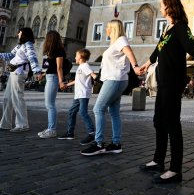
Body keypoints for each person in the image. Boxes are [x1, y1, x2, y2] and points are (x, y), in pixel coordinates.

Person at [138, 0, 194, 184]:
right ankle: (158, 160)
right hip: (163, 81)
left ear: (170, 7)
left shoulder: (180, 28)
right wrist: (146, 64)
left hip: (174, 81)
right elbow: (158, 50)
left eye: (162, 5)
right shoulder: (167, 29)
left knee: (172, 123)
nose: (160, 8)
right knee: (159, 121)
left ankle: (175, 169)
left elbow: (192, 42)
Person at [80, 20, 142, 155]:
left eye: (108, 27)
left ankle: (99, 143)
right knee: (113, 112)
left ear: (114, 29)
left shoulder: (121, 40)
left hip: (114, 79)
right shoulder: (115, 43)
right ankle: (116, 143)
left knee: (98, 109)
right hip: (116, 79)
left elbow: (129, 52)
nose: (106, 29)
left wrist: (136, 67)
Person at [0, 27, 41, 133]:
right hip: (13, 72)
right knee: (7, 98)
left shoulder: (28, 44)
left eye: (19, 32)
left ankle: (23, 125)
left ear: (24, 33)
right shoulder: (20, 45)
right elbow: (11, 55)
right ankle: (5, 124)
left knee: (17, 98)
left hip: (19, 72)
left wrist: (37, 71)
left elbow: (32, 58)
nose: (18, 34)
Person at [60, 48, 97, 144]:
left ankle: (92, 133)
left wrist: (97, 78)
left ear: (80, 57)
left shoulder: (85, 66)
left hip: (83, 94)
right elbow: (78, 80)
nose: (75, 57)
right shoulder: (80, 67)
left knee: (83, 112)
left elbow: (93, 74)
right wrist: (66, 85)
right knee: (72, 112)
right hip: (78, 94)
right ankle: (70, 133)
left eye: (76, 56)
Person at [38, 30, 67, 139]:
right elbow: (49, 67)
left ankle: (52, 129)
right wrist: (42, 74)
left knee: (50, 105)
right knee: (48, 104)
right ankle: (50, 128)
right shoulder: (51, 52)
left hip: (54, 78)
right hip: (50, 77)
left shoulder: (59, 50)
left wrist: (61, 81)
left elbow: (59, 67)